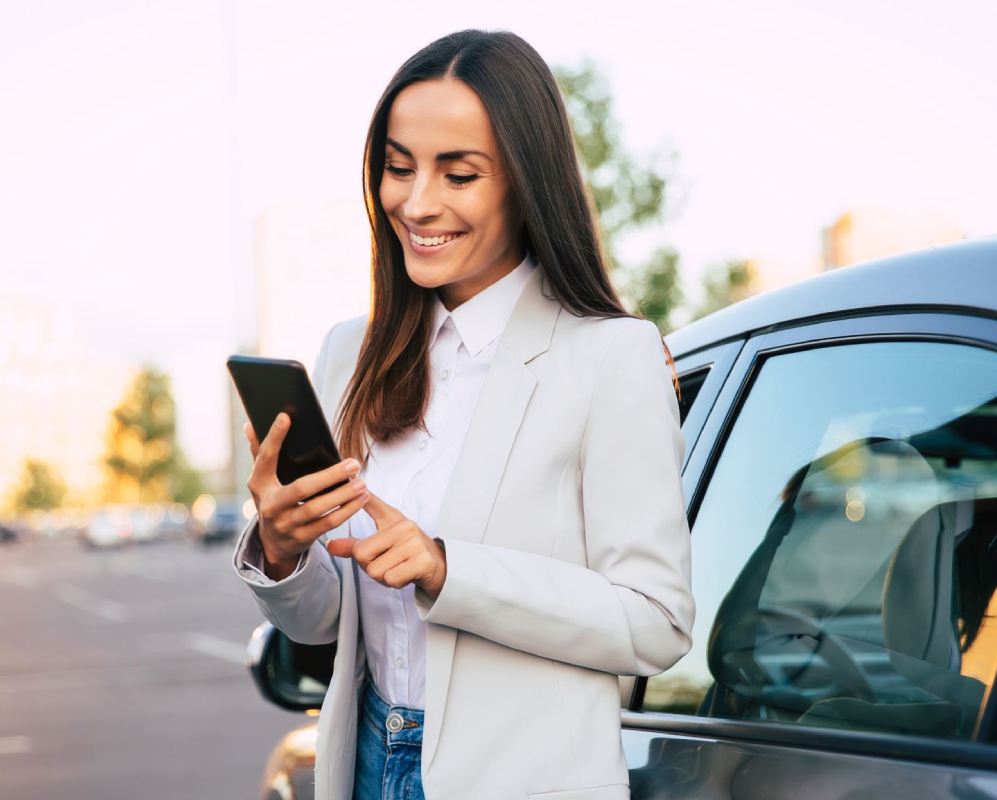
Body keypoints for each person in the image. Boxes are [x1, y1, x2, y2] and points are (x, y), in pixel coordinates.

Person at [231, 29, 694, 800]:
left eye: (460, 173)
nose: (417, 203)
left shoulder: (610, 356)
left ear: (525, 180)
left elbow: (656, 621)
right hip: (369, 760)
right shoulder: (352, 352)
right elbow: (324, 625)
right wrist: (282, 551)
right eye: (399, 167)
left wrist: (448, 568)